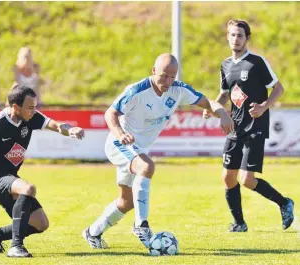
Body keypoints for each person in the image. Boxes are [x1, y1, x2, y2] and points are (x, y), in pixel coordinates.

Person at [82, 53, 234, 249]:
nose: (168, 81)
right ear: (153, 71)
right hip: (120, 144)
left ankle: (92, 232)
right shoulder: (136, 91)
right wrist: (120, 133)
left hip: (138, 149)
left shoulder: (178, 90)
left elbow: (208, 102)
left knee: (126, 202)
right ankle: (141, 226)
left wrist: (222, 112)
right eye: (164, 76)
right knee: (146, 166)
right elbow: (110, 113)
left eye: (173, 76)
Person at [0, 84, 85, 258]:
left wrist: (70, 129)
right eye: (30, 107)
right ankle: (16, 247)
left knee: (40, 223)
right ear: (15, 107)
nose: (34, 111)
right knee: (28, 189)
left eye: (35, 106)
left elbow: (55, 125)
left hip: (9, 177)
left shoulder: (30, 117)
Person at [203, 19, 294, 232]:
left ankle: (284, 203)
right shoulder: (225, 65)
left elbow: (278, 88)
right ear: (227, 37)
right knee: (228, 176)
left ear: (247, 38)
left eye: (240, 35)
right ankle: (239, 223)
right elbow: (225, 93)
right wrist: (213, 107)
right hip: (234, 128)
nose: (236, 39)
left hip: (255, 126)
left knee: (246, 179)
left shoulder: (256, 62)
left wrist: (263, 106)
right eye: (232, 35)